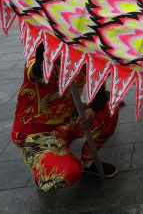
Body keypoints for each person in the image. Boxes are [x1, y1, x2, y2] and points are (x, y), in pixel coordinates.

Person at [12, 44, 119, 191]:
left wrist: (91, 110)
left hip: (70, 121)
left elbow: (99, 92)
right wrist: (45, 50)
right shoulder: (44, 58)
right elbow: (35, 71)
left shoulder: (88, 56)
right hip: (37, 132)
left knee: (110, 108)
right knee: (68, 172)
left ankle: (89, 160)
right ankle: (44, 165)